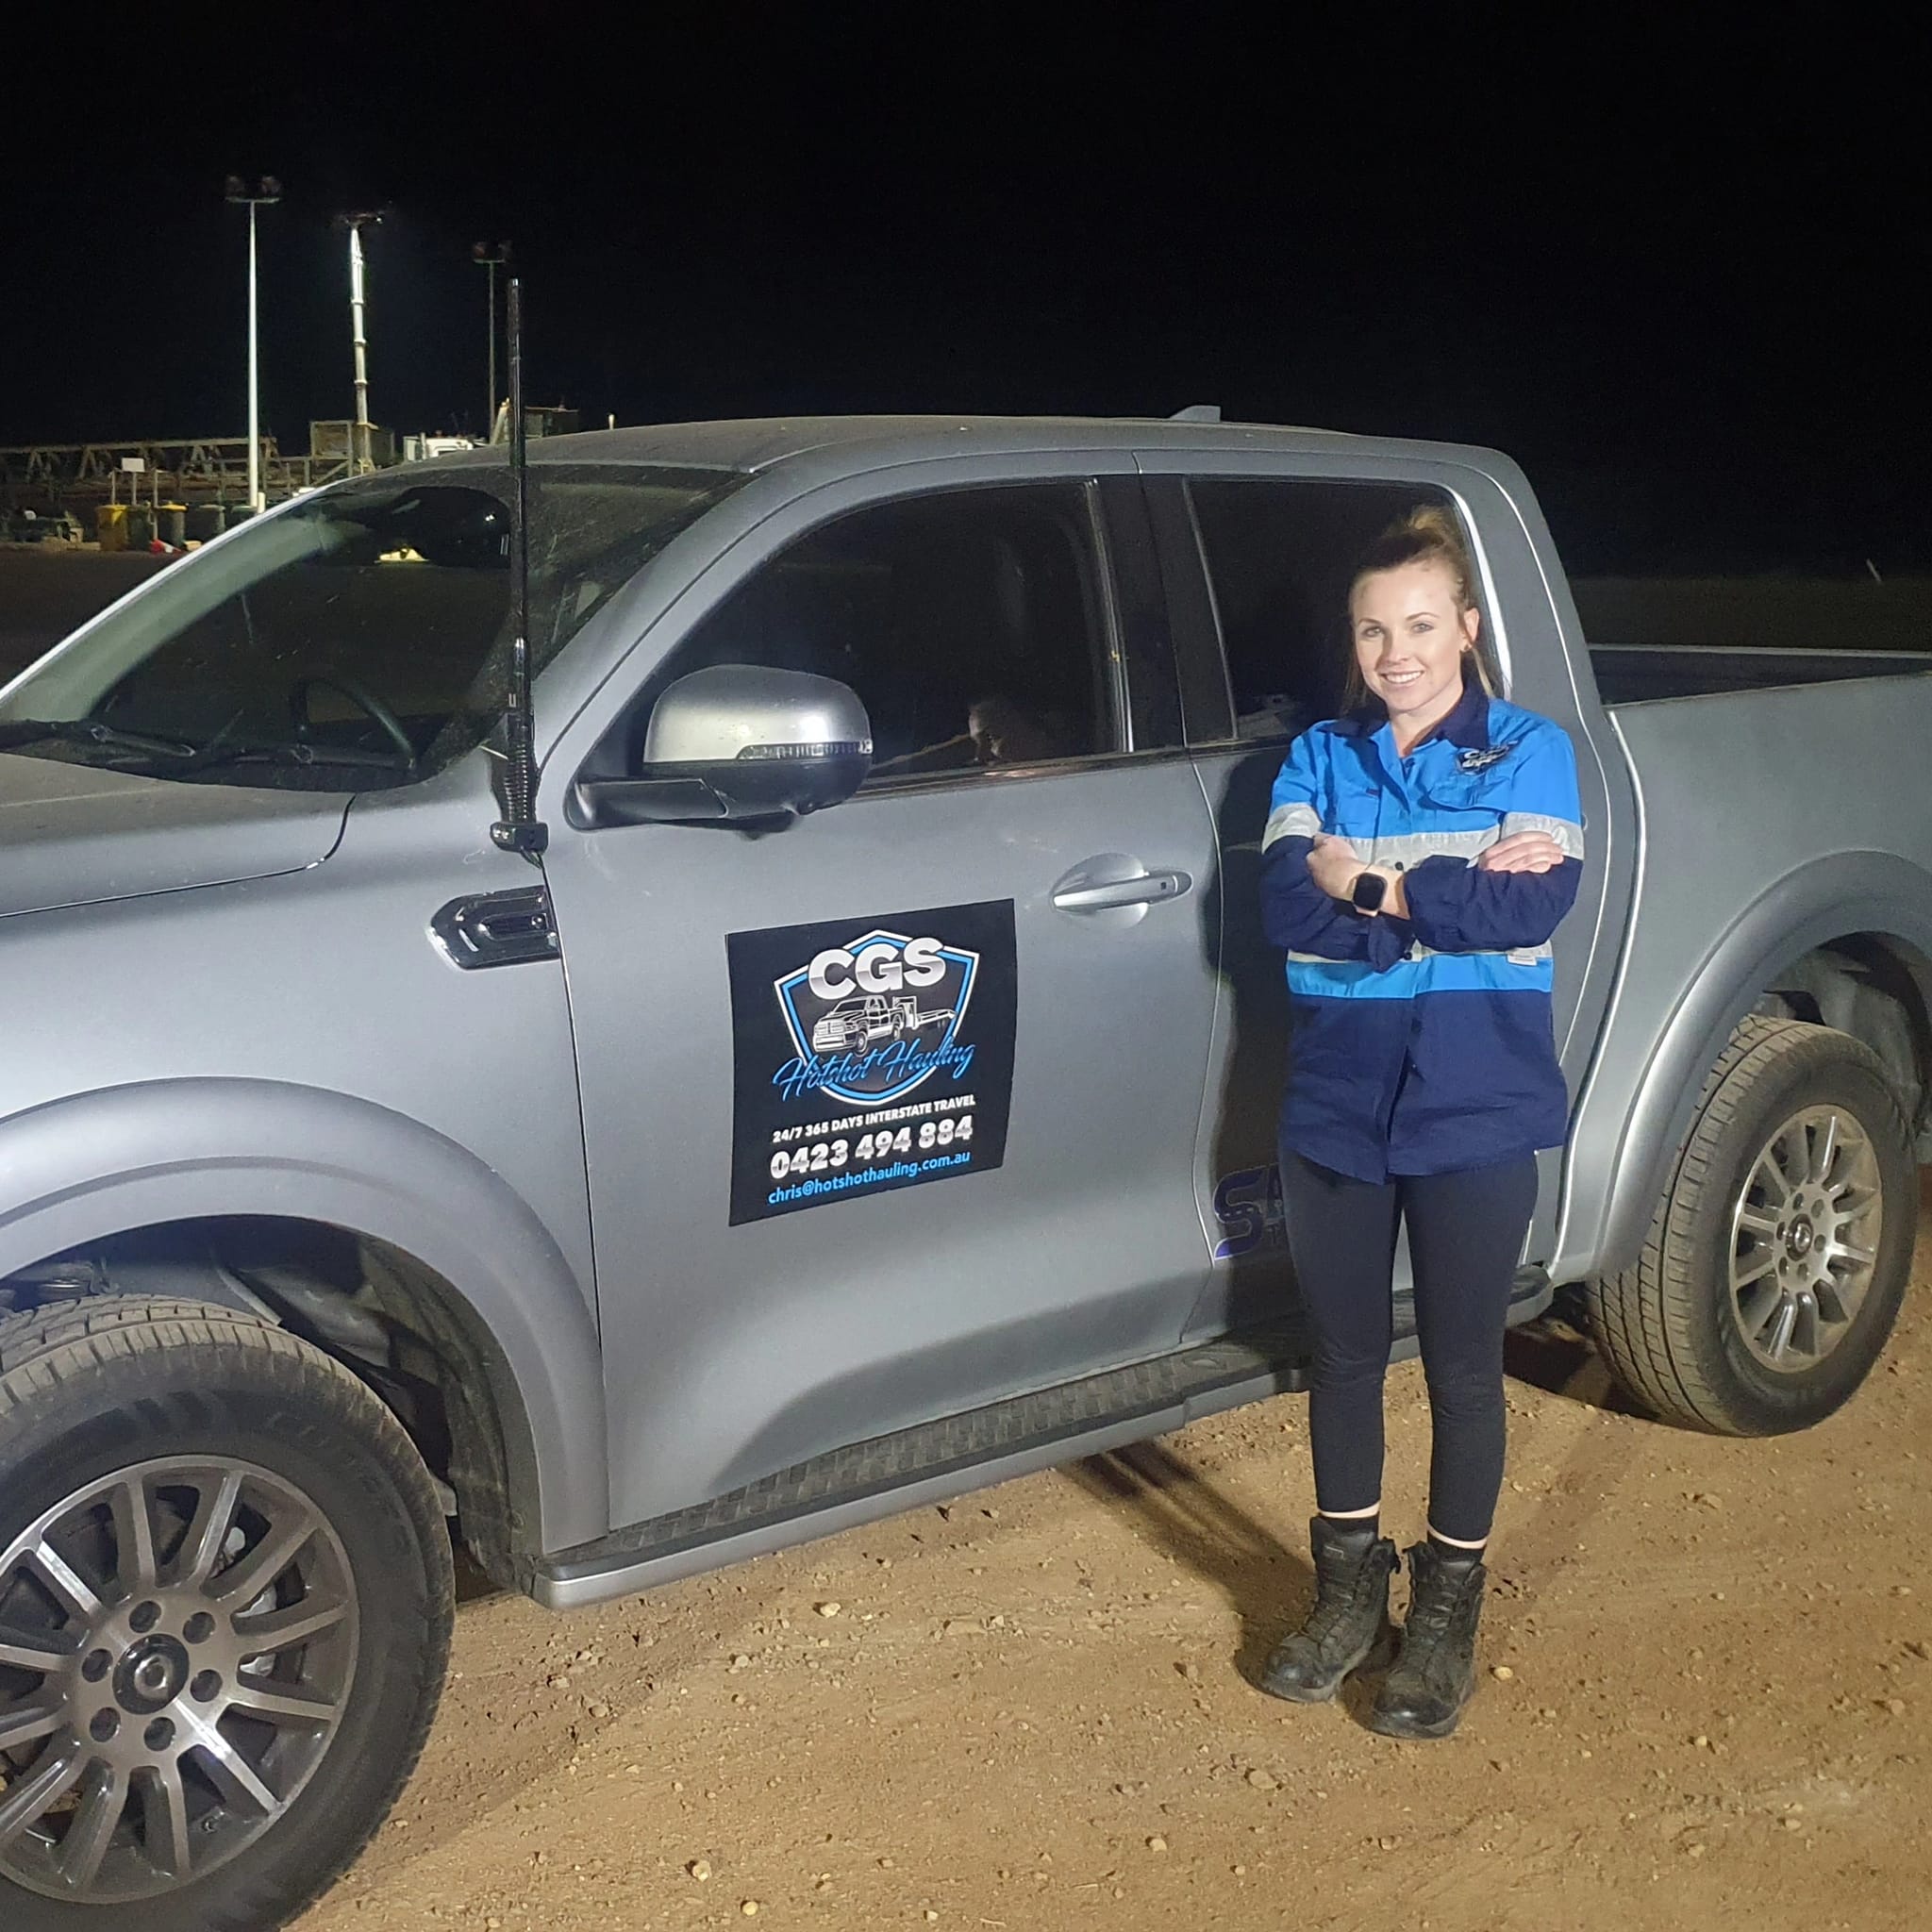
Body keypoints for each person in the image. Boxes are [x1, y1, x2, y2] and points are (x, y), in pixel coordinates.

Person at [1255, 505, 1585, 1739]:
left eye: (1420, 626)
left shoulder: (1531, 752)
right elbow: (1286, 908)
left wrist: (1369, 882)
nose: (1396, 653)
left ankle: (1443, 1614)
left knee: (1460, 1366)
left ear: (1467, 627)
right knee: (1342, 1358)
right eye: (1373, 631)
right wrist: (1433, 899)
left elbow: (1525, 911)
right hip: (1338, 1103)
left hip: (1474, 1100)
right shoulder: (1316, 757)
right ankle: (1348, 1595)